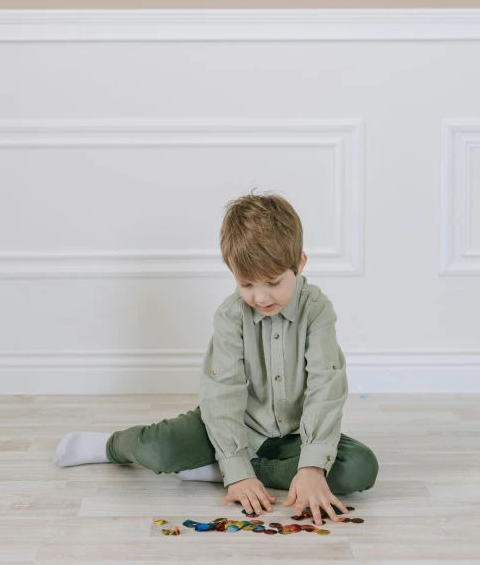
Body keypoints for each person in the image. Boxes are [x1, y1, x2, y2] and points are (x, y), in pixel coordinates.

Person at [54, 190, 378, 525]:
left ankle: (218, 471)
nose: (261, 296)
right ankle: (110, 445)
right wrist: (236, 464)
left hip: (295, 438)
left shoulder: (317, 311)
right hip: (232, 425)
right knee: (160, 450)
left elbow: (326, 386)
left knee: (359, 468)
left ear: (299, 263)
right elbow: (222, 392)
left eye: (273, 282)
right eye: (247, 284)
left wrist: (311, 466)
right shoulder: (231, 316)